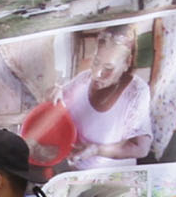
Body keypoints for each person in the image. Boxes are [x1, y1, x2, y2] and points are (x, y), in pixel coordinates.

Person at [58, 25, 152, 169]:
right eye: (96, 62)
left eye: (108, 68)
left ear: (127, 63)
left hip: (113, 176)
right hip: (74, 168)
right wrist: (55, 93)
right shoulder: (84, 79)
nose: (97, 74)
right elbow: (58, 103)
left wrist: (97, 150)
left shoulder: (136, 93)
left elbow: (141, 148)